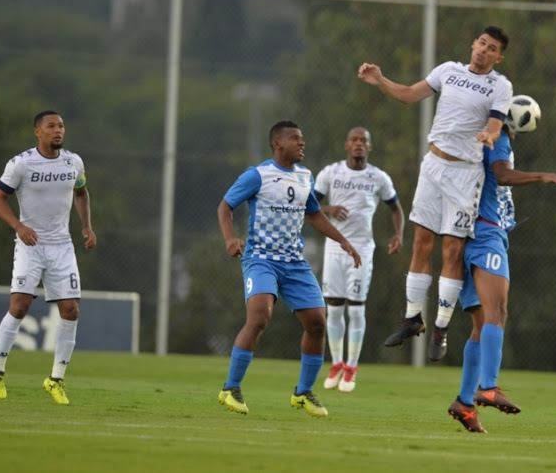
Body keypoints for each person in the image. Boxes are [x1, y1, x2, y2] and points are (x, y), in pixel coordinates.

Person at [358, 26, 513, 360]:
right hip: (432, 167)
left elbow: (497, 125)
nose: (484, 50)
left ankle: (441, 328)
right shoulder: (448, 71)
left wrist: (490, 135)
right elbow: (410, 94)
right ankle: (413, 318)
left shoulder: (500, 85)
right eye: (481, 43)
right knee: (422, 243)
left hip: (464, 174)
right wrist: (382, 81)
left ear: (498, 57)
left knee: (452, 250)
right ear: (473, 43)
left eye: (492, 48)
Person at [217, 120, 362, 417]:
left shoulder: (305, 177)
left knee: (317, 322)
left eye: (303, 138)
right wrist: (230, 238)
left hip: (294, 263)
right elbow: (225, 206)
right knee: (259, 317)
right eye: (295, 138)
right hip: (261, 259)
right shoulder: (258, 175)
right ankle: (230, 388)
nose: (302, 143)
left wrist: (344, 241)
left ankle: (303, 393)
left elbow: (315, 215)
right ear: (277, 143)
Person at [447, 116, 556, 433]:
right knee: (497, 313)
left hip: (467, 235)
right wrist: (543, 175)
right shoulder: (497, 138)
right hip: (486, 235)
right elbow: (501, 175)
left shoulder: (483, 139)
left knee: (480, 325)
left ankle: (463, 402)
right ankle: (488, 387)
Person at [0, 110, 97, 405]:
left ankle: (56, 379)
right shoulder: (21, 164)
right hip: (31, 245)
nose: (58, 130)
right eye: (51, 126)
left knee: (71, 310)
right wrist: (19, 226)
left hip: (62, 246)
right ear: (38, 132)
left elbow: (81, 192)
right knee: (20, 305)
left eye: (61, 125)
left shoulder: (73, 162)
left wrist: (86, 226)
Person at [314, 126, 404, 393]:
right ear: (346, 145)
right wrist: (328, 208)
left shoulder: (378, 177)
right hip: (333, 248)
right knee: (334, 307)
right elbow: (308, 206)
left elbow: (396, 208)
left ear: (369, 146)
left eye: (364, 140)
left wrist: (398, 234)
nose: (359, 144)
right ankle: (336, 363)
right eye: (354, 139)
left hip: (362, 249)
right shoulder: (331, 173)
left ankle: (351, 368)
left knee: (355, 308)